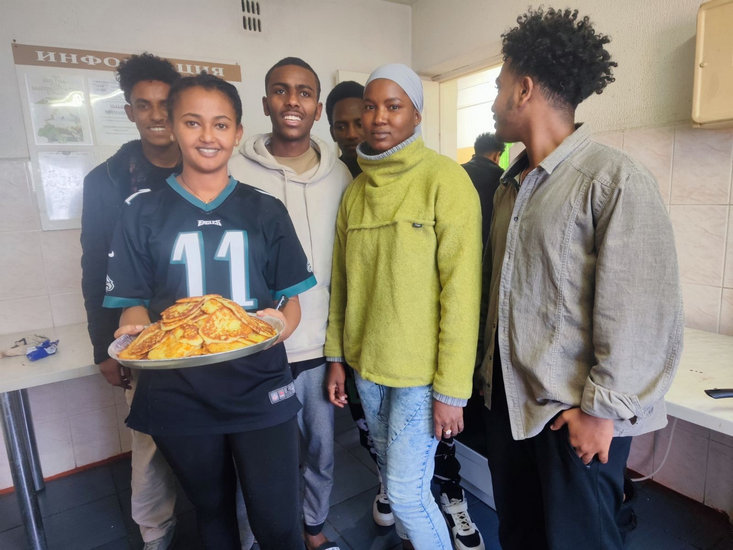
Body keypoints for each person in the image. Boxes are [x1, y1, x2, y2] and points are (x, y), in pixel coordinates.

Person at [479, 8, 683, 550]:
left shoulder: (612, 181)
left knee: (579, 541)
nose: (494, 103)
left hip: (572, 418)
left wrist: (600, 412)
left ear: (523, 89)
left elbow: (640, 312)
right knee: (519, 534)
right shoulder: (510, 187)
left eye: (498, 87)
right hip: (512, 406)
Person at [104, 72, 316, 550]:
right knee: (212, 513)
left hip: (260, 386)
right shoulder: (140, 210)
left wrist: (277, 325)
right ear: (172, 127)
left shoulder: (265, 209)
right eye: (192, 122)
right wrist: (134, 329)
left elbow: (290, 302)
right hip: (178, 392)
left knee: (279, 521)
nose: (207, 135)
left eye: (220, 124)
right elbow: (131, 302)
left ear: (237, 133)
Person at [325, 63, 482, 550]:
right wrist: (336, 357)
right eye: (370, 107)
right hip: (367, 367)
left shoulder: (445, 180)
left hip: (420, 374)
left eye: (393, 106)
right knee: (394, 484)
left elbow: (462, 293)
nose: (378, 117)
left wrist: (452, 390)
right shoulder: (355, 192)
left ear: (416, 114)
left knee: (409, 496)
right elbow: (342, 284)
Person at [229, 57, 349, 550]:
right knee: (253, 459)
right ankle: (252, 539)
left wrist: (338, 350)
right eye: (281, 90)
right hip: (255, 350)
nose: (292, 101)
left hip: (318, 346)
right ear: (265, 103)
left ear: (318, 108)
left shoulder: (341, 176)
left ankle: (313, 530)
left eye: (304, 92)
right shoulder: (234, 169)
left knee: (321, 453)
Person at [80, 52, 180, 550]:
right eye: (144, 105)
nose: (156, 115)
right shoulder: (107, 180)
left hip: (207, 335)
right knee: (150, 445)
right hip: (142, 339)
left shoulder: (204, 165)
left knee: (221, 444)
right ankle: (155, 535)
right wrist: (104, 347)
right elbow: (94, 265)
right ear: (129, 111)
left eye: (165, 104)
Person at [461, 132, 505, 247]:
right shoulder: (502, 177)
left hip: (461, 236)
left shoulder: (459, 171)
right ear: (497, 155)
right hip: (487, 241)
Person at [325, 80, 365, 178]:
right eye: (341, 127)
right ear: (332, 133)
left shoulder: (391, 172)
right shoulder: (327, 178)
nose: (351, 135)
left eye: (360, 125)